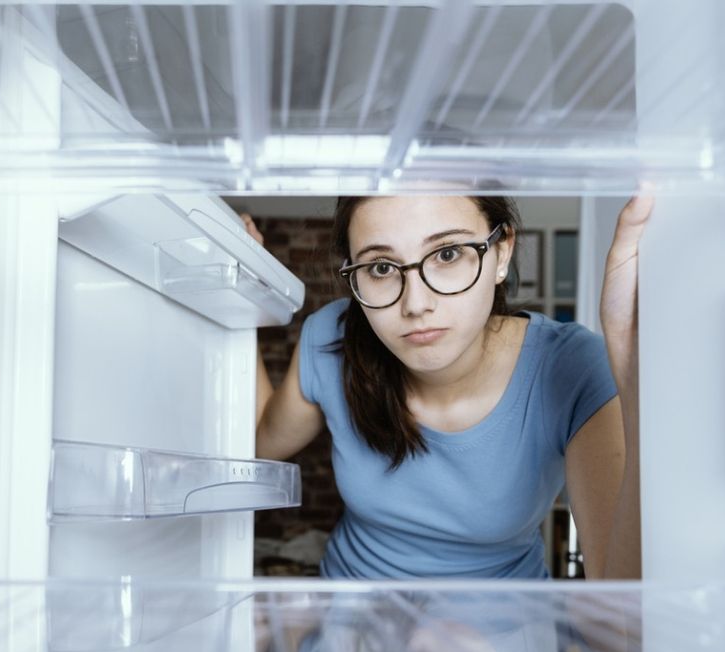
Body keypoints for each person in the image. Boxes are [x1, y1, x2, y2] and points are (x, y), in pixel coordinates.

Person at [247, 194, 652, 581]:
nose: (416, 304)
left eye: (447, 254)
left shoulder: (574, 367)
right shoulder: (330, 339)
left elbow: (623, 614)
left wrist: (633, 380)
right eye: (382, 268)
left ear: (502, 252)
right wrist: (242, 301)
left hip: (504, 634)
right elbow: (261, 442)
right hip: (352, 623)